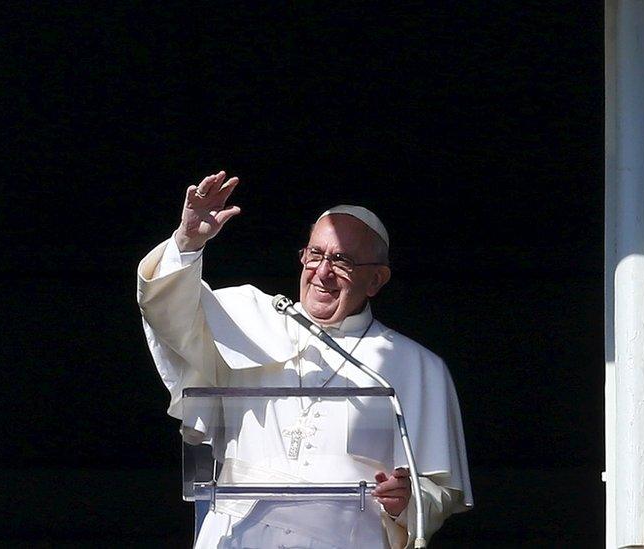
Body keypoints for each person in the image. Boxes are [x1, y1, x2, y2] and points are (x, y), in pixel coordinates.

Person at [137, 171, 473, 548]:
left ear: (376, 280)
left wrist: (408, 501)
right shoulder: (249, 318)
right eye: (315, 254)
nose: (323, 272)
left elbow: (439, 491)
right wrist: (188, 241)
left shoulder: (417, 367)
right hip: (238, 536)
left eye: (342, 259)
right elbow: (167, 314)